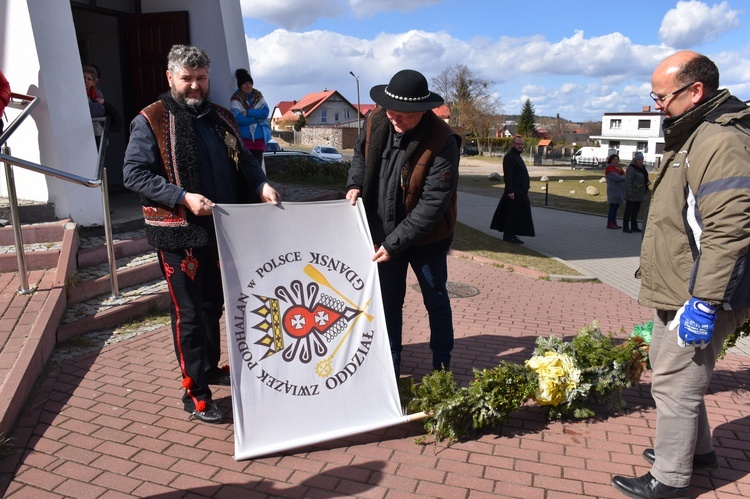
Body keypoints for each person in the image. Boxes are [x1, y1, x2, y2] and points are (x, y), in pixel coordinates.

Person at [611, 51, 750, 498]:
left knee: (674, 382)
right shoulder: (694, 134)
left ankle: (670, 479)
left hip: (702, 290)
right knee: (674, 371)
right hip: (680, 284)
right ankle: (699, 451)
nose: (656, 106)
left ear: (695, 91)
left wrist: (705, 301)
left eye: (661, 97)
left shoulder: (718, 141)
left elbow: (730, 227)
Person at [123, 45, 281, 424]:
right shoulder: (151, 119)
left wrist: (261, 185)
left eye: (202, 78)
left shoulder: (222, 116)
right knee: (190, 314)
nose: (195, 86)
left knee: (213, 306)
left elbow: (245, 163)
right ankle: (194, 391)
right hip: (179, 235)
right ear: (170, 78)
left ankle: (209, 368)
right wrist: (181, 197)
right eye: (187, 78)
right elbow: (134, 174)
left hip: (222, 231)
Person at [345, 69, 460, 377]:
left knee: (435, 299)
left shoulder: (443, 140)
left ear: (423, 110)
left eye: (405, 116)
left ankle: (441, 365)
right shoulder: (377, 119)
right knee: (388, 301)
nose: (396, 119)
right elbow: (359, 154)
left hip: (428, 240)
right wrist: (355, 183)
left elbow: (432, 204)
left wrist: (395, 244)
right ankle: (390, 362)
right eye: (392, 112)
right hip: (382, 232)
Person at [489, 135, 535, 244]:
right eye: (518, 144)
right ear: (513, 145)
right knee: (510, 215)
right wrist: (510, 191)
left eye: (521, 144)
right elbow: (508, 175)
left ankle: (513, 234)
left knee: (518, 215)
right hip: (514, 192)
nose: (520, 146)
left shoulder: (517, 156)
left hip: (521, 192)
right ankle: (508, 235)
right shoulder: (510, 156)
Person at [230, 68, 271, 164]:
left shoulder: (258, 96)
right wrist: (257, 119)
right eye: (245, 84)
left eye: (250, 83)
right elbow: (239, 119)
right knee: (246, 168)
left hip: (259, 141)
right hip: (244, 140)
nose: (248, 86)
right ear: (240, 86)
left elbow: (265, 113)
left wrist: (248, 112)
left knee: (257, 168)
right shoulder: (236, 99)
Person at [622, 151, 650, 233]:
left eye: (641, 159)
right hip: (632, 193)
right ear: (635, 159)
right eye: (639, 159)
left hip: (639, 193)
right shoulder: (631, 168)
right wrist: (630, 192)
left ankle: (634, 226)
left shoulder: (642, 168)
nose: (640, 161)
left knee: (636, 211)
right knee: (628, 211)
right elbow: (628, 181)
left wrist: (647, 181)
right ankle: (626, 227)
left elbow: (644, 178)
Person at [604, 154, 624, 229]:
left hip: (618, 190)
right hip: (613, 190)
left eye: (617, 160)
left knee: (616, 207)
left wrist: (623, 177)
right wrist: (625, 177)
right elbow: (617, 178)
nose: (616, 161)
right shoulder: (609, 169)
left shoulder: (618, 168)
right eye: (614, 160)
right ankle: (610, 223)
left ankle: (614, 222)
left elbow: (622, 175)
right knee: (612, 207)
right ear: (611, 161)